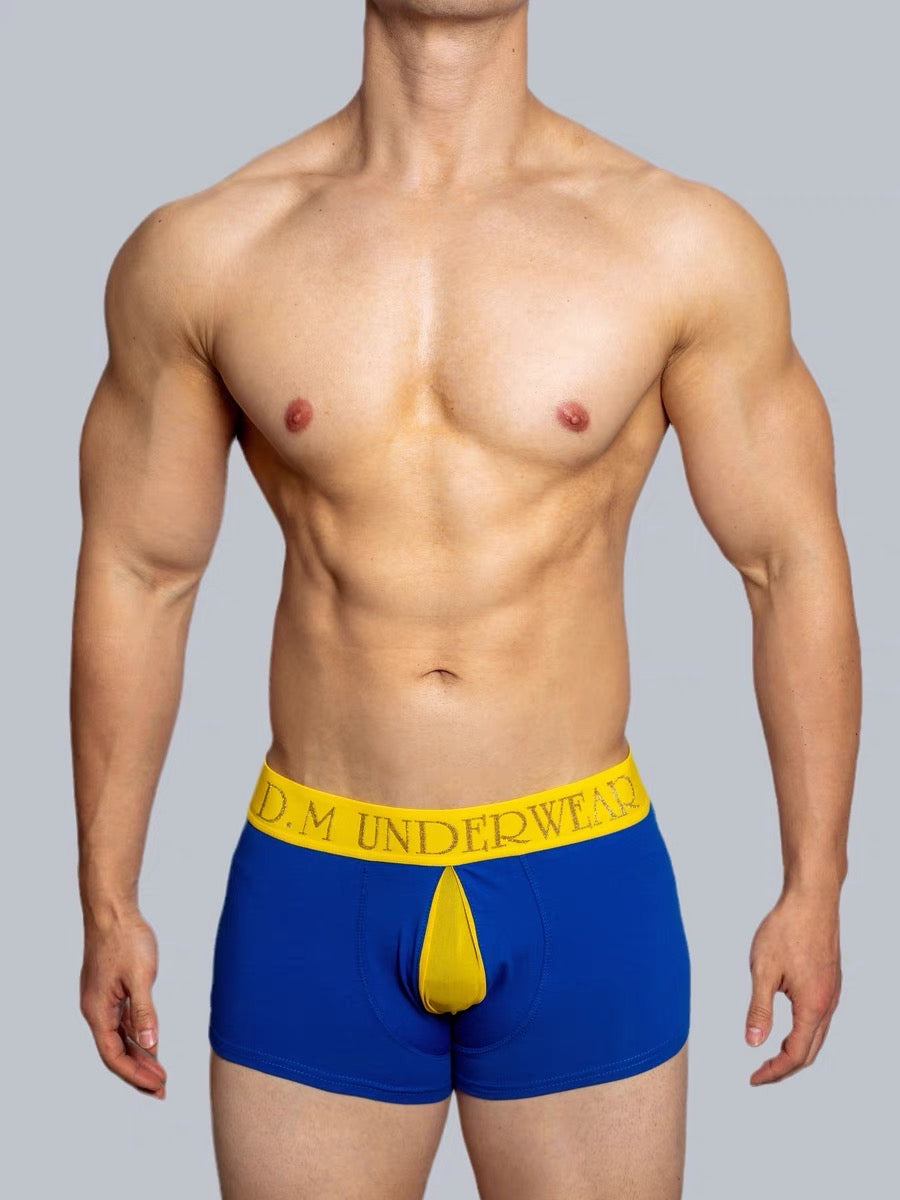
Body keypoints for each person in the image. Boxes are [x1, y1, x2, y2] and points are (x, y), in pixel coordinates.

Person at [70, 2, 861, 1197]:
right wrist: (106, 894)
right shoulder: (210, 249)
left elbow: (787, 563)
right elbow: (142, 573)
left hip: (579, 873)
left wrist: (815, 884)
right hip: (316, 881)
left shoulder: (679, 242)